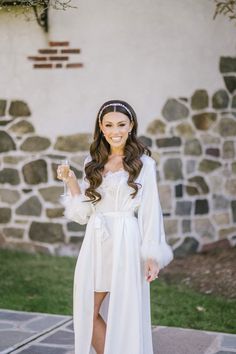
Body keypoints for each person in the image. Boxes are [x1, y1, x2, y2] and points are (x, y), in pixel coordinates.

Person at [57, 99, 173, 354]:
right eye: (109, 125)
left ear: (131, 125)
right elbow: (83, 212)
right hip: (96, 241)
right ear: (101, 126)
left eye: (121, 124)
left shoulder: (144, 163)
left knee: (125, 311)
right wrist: (72, 181)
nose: (115, 131)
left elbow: (151, 210)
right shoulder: (94, 160)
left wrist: (151, 255)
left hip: (126, 240)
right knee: (86, 309)